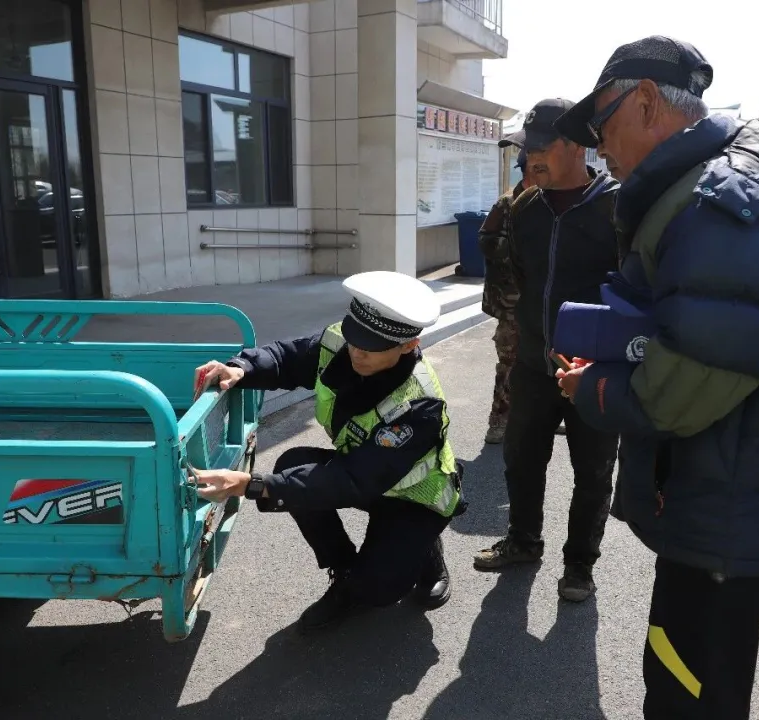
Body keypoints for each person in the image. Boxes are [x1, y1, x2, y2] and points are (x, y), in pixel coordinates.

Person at [552, 36, 759, 719]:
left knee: (686, 689)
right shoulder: (714, 190)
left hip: (730, 502)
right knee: (698, 676)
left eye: (601, 125)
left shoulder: (715, 205)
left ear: (646, 102)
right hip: (736, 488)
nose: (598, 148)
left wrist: (592, 389)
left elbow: (688, 387)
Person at [188, 271, 464, 633]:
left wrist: (251, 484)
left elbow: (352, 479)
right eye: (354, 338)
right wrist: (241, 368)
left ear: (408, 345)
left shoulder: (420, 405)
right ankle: (346, 572)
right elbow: (288, 358)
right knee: (291, 467)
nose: (356, 352)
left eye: (371, 346)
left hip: (414, 496)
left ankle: (423, 550)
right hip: (362, 473)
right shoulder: (341, 344)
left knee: (378, 591)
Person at [472, 98, 620, 603]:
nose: (530, 157)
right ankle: (523, 540)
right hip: (534, 363)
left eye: (541, 146)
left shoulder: (617, 207)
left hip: (595, 368)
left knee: (593, 471)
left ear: (577, 145)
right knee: (521, 459)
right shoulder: (524, 209)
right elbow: (516, 278)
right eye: (525, 148)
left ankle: (579, 564)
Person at [478, 149, 531, 444]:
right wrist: (516, 249)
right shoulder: (507, 203)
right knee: (509, 363)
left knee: (544, 363)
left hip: (542, 301)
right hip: (512, 303)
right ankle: (498, 421)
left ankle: (537, 417)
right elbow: (485, 241)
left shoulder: (549, 201)